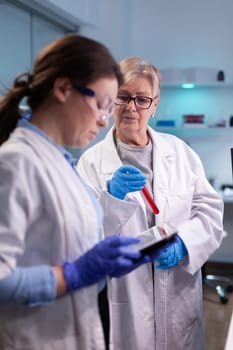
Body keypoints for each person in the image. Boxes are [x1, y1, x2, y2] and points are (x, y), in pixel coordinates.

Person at [0, 37, 152, 350]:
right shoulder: (16, 162)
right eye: (101, 104)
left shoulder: (61, 162)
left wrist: (102, 265)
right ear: (64, 88)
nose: (104, 119)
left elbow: (55, 249)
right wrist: (75, 274)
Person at [77, 56, 224, 350]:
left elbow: (210, 212)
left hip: (178, 292)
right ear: (111, 101)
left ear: (155, 105)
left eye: (142, 99)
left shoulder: (180, 153)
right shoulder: (90, 164)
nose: (132, 107)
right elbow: (81, 237)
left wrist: (185, 243)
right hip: (125, 299)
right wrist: (110, 199)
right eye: (123, 97)